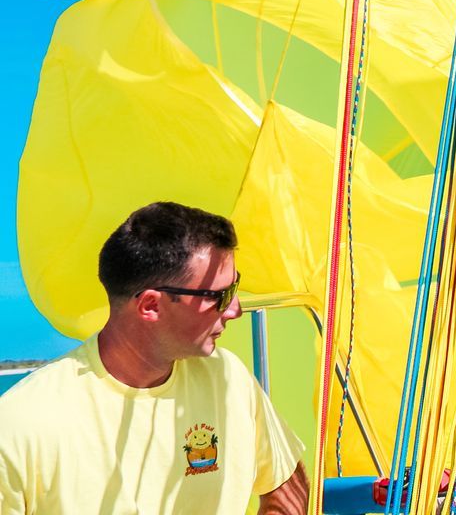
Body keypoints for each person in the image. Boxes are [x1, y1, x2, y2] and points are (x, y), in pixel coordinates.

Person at [0, 201, 306, 513]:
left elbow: (286, 486)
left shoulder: (229, 378)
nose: (235, 309)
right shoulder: (21, 423)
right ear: (150, 306)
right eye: (219, 296)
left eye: (234, 287)